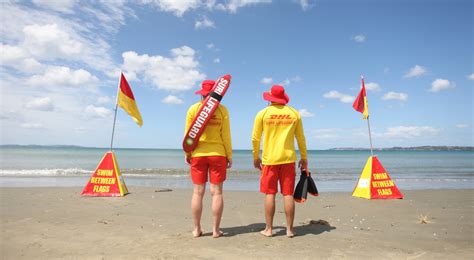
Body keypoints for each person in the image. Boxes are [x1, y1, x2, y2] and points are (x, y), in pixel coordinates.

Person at [252, 84, 308, 238]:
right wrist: (304, 158)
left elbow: (256, 138)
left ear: (270, 99)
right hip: (288, 159)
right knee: (288, 194)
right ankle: (290, 230)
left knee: (270, 194)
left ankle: (269, 229)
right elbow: (301, 138)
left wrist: (255, 156)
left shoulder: (263, 113)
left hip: (270, 160)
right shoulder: (294, 113)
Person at [184, 79, 232, 238]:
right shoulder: (222, 110)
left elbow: (189, 135)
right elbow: (226, 136)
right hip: (218, 154)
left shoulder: (193, 109)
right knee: (217, 193)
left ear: (202, 95)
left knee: (198, 192)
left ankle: (197, 229)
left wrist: (188, 154)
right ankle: (216, 230)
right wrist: (229, 155)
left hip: (198, 154)